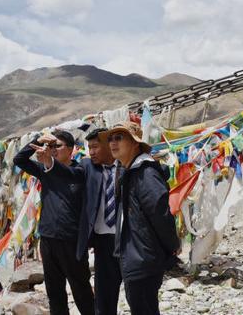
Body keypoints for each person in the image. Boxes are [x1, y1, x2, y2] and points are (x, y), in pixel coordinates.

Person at [13, 130, 95, 315]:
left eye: (56, 146)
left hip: (71, 240)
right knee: (54, 290)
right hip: (48, 238)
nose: (52, 150)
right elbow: (19, 160)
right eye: (49, 146)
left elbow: (67, 174)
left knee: (80, 288)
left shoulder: (81, 171)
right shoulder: (44, 169)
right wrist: (37, 140)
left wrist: (49, 162)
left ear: (71, 149)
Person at [102, 122, 180, 315]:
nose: (113, 143)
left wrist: (172, 247)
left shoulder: (145, 173)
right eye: (110, 138)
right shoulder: (130, 171)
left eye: (119, 137)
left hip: (143, 257)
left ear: (135, 143)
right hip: (135, 255)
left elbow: (160, 214)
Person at [76, 128, 122, 315]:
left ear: (108, 145)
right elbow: (67, 174)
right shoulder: (87, 167)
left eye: (95, 147)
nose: (91, 152)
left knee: (138, 292)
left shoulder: (127, 165)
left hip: (127, 239)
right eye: (89, 148)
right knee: (104, 294)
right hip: (103, 242)